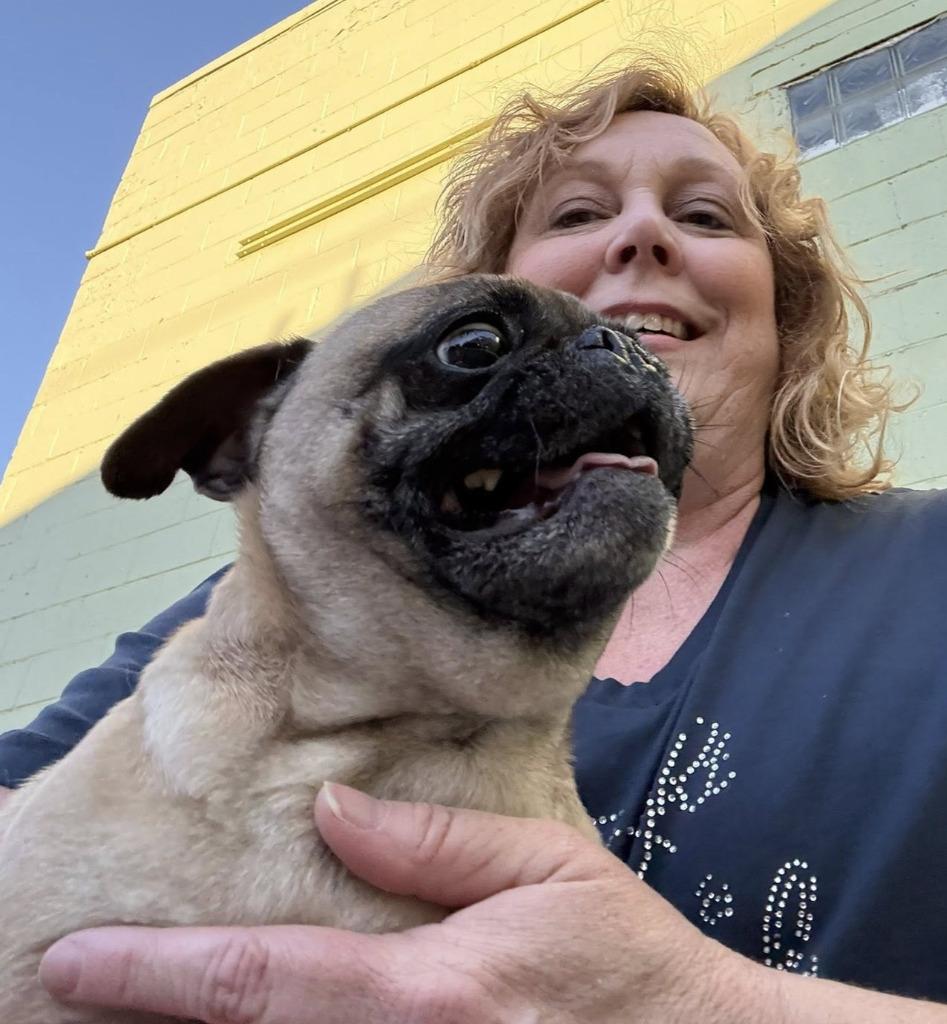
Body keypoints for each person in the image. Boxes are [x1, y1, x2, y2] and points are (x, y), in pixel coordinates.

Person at [3, 57, 947, 1023]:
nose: (642, 234)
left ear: (785, 314)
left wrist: (693, 1004)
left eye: (705, 216)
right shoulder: (260, 601)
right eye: (575, 215)